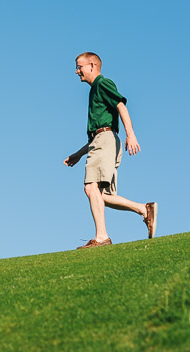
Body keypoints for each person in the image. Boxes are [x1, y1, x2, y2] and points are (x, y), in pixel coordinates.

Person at [64, 52, 157, 249]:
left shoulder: (102, 83)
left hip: (105, 140)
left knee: (91, 188)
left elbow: (120, 106)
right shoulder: (94, 91)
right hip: (102, 140)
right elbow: (98, 133)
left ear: (91, 65)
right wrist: (79, 154)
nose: (76, 71)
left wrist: (131, 134)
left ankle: (102, 237)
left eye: (79, 66)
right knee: (100, 195)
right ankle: (144, 209)